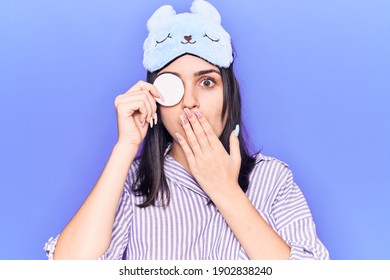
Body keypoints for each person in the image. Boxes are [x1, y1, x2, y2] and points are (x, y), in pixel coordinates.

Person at [44, 0, 329, 260]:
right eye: (172, 84)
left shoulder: (272, 179)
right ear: (155, 96)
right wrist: (125, 147)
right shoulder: (132, 186)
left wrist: (226, 191)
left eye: (207, 82)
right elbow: (68, 269)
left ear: (228, 94)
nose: (190, 101)